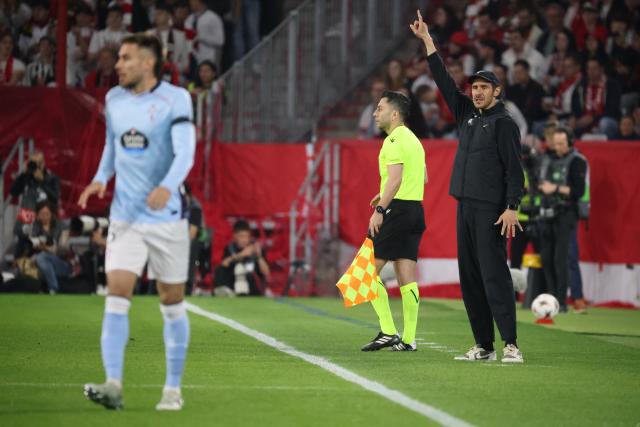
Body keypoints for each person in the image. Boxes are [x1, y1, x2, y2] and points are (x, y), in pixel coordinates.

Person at [78, 33, 196, 411]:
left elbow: (186, 153)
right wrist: (100, 177)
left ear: (147, 63)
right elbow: (113, 145)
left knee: (171, 300)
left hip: (166, 218)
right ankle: (113, 384)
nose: (118, 64)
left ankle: (172, 390)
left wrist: (166, 186)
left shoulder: (176, 99)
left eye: (126, 58)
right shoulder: (113, 99)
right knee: (116, 294)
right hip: (125, 216)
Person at [411, 10, 525, 362]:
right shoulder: (468, 116)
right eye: (474, 87)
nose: (476, 92)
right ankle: (484, 346)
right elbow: (444, 81)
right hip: (465, 206)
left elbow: (515, 169)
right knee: (471, 278)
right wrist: (428, 41)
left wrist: (512, 206)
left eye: (483, 88)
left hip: (491, 210)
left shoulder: (504, 123)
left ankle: (511, 345)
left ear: (496, 91)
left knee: (494, 276)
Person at [360, 90, 426, 352]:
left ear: (394, 114)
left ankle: (388, 330)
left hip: (396, 212)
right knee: (406, 276)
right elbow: (422, 177)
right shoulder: (413, 140)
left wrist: (381, 209)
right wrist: (385, 189)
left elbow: (396, 179)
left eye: (380, 108)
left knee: (366, 272)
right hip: (414, 211)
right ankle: (409, 339)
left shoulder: (393, 141)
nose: (375, 113)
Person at [538, 126, 588, 313]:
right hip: (547, 211)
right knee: (546, 257)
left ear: (570, 143)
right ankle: (552, 297)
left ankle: (562, 301)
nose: (557, 147)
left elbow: (578, 191)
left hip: (566, 213)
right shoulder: (547, 159)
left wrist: (555, 189)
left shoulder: (577, 161)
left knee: (561, 258)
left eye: (561, 144)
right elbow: (540, 182)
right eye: (555, 143)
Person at [15, 201, 71, 294]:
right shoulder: (33, 228)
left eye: (47, 214)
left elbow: (64, 250)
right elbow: (27, 246)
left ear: (52, 214)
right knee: (25, 263)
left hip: (61, 264)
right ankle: (39, 288)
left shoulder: (62, 227)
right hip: (38, 264)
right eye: (41, 214)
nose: (44, 216)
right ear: (37, 215)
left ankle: (53, 288)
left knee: (42, 256)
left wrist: (46, 248)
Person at [214, 219, 270, 296]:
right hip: (233, 282)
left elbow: (266, 272)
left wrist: (259, 256)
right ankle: (224, 291)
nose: (244, 240)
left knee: (244, 271)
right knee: (220, 269)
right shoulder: (230, 248)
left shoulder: (255, 249)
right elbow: (224, 264)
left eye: (246, 236)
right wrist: (241, 254)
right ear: (235, 236)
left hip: (250, 285)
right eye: (241, 236)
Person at [10, 149, 60, 215]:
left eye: (39, 163)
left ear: (43, 163)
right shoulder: (26, 177)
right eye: (33, 163)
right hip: (28, 217)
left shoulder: (52, 178)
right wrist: (23, 174)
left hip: (45, 218)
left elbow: (55, 198)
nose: (36, 166)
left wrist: (42, 182)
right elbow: (13, 192)